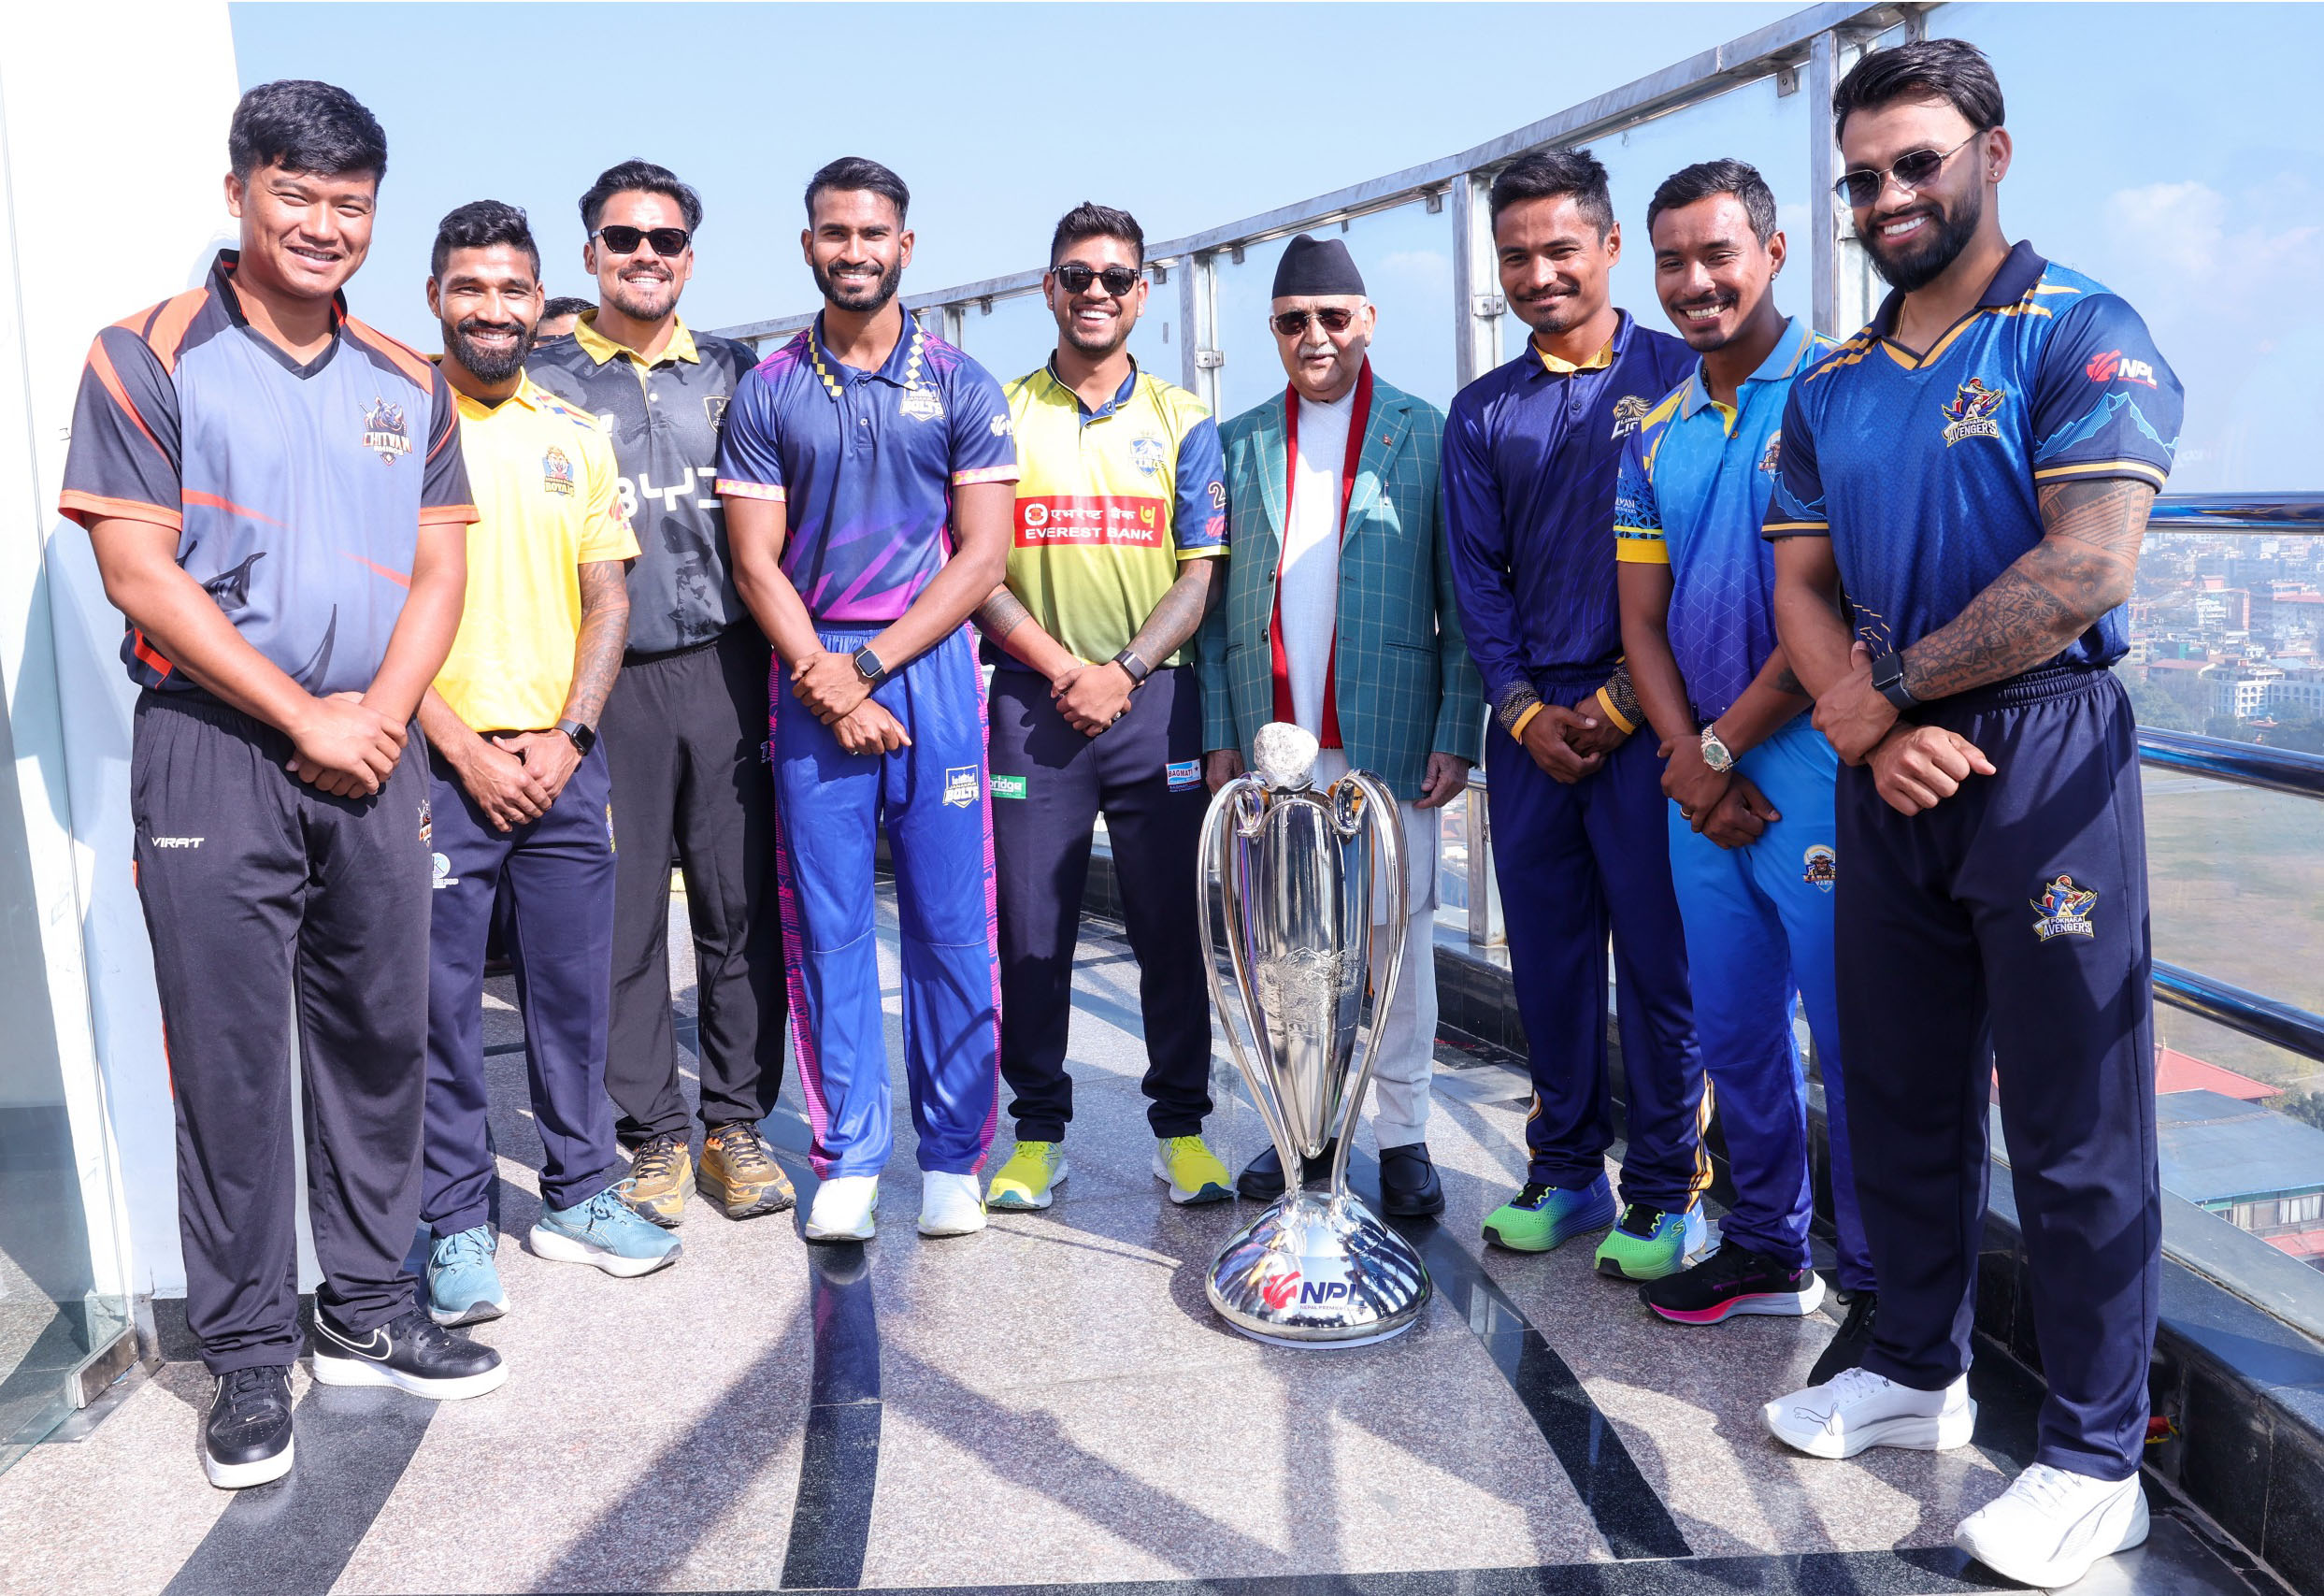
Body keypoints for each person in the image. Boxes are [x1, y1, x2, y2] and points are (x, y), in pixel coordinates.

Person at [1757, 41, 2180, 1589]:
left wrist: (1886, 697)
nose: (1888, 194)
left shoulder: (2081, 328)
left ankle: (2094, 1457)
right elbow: (1799, 581)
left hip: (2042, 755)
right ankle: (1912, 1365)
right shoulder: (1832, 381)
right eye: (1861, 175)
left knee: (2074, 1120)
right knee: (1896, 1089)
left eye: (1917, 162)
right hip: (1887, 766)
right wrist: (1869, 725)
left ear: (1991, 154)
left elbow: (2088, 564)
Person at [59, 80, 505, 1490]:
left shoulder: (406, 377)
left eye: (349, 203)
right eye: (294, 195)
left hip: (376, 744)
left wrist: (376, 716)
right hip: (214, 746)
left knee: (381, 1036)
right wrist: (302, 712)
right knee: (232, 1060)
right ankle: (248, 1355)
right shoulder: (143, 355)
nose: (322, 225)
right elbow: (137, 570)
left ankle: (367, 1305)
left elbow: (440, 568)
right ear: (240, 191)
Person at [718, 157, 1018, 1243]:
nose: (854, 251)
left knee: (952, 924)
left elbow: (981, 559)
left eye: (872, 233)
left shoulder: (962, 381)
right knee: (829, 926)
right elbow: (753, 562)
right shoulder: (768, 390)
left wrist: (871, 669)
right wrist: (827, 676)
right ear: (808, 245)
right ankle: (848, 1154)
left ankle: (951, 1157)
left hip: (922, 663)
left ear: (905, 245)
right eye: (835, 233)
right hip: (811, 662)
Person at [1611, 161, 1878, 1367]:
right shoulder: (1651, 432)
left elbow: (1832, 605)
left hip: (1818, 766)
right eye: (1670, 261)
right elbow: (1640, 620)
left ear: (1772, 252)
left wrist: (1718, 749)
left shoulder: (1841, 391)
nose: (1694, 282)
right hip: (1695, 782)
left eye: (1717, 254)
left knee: (1854, 1036)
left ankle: (1877, 1284)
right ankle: (1767, 1245)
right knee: (1731, 1027)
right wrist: (1687, 757)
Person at [415, 201, 679, 1328]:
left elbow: (606, 596)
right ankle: (455, 1220)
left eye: (512, 289)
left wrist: (569, 736)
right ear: (435, 296)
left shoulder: (574, 432)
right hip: (437, 765)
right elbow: (372, 611)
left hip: (564, 762)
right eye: (470, 287)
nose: (493, 308)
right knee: (438, 1009)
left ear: (538, 301)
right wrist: (464, 748)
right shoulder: (397, 426)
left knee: (574, 995)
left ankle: (577, 1193)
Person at [1442, 150, 1706, 1275]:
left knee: (1658, 962)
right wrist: (1517, 711)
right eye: (1514, 256)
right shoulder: (1480, 411)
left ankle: (1665, 1189)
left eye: (1559, 248)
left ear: (1608, 247)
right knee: (1545, 963)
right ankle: (1562, 1173)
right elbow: (1475, 581)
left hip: (1651, 720)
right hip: (1529, 734)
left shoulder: (1681, 375)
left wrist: (1619, 702)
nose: (1537, 273)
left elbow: (1705, 565)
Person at [527, 161, 793, 1229]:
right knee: (623, 918)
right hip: (603, 681)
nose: (646, 255)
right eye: (625, 238)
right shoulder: (539, 376)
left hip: (726, 667)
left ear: (690, 255)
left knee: (739, 909)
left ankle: (736, 1124)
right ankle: (653, 1135)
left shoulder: (738, 372)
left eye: (666, 240)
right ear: (590, 250)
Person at [1198, 234, 1482, 1217]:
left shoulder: (1425, 431)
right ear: (1271, 331)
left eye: (1331, 316)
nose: (1313, 336)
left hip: (1387, 737)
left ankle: (1403, 1137)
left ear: (1367, 319)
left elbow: (1461, 601)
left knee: (1396, 949)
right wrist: (1218, 732)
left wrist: (1458, 725)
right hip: (1271, 745)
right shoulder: (1236, 441)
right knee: (1283, 954)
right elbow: (1212, 612)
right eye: (1292, 321)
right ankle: (1301, 1129)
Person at [977, 204, 1234, 1211]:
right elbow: (978, 570)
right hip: (1032, 705)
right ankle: (1036, 1135)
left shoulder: (1183, 418)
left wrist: (1121, 670)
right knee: (1029, 928)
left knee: (1171, 927)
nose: (1095, 292)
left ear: (1142, 291)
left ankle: (1182, 1133)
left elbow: (1199, 574)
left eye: (1115, 277)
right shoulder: (996, 410)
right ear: (1048, 287)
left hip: (1154, 702)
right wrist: (1060, 667)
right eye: (1077, 275)